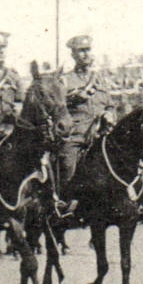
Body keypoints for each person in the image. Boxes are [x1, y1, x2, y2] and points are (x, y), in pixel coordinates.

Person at [55, 34, 113, 213]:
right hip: (77, 134)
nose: (86, 54)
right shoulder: (65, 80)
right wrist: (72, 100)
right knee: (68, 164)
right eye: (81, 51)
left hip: (101, 135)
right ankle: (66, 202)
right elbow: (56, 106)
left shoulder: (100, 79)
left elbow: (109, 104)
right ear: (73, 55)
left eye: (88, 50)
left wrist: (109, 114)